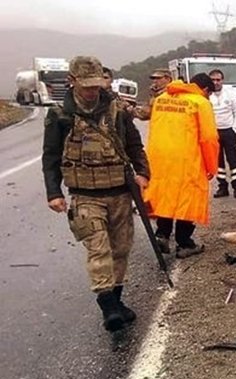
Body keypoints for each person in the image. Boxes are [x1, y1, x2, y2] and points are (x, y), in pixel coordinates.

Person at [41, 56, 150, 332]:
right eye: (86, 85)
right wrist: (54, 192)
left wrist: (142, 172)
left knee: (121, 248)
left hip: (120, 192)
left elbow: (135, 145)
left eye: (96, 85)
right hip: (85, 195)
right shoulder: (60, 115)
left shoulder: (117, 111)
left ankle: (117, 299)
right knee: (98, 248)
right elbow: (51, 156)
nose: (92, 91)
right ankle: (108, 306)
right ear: (73, 81)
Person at [143, 73, 219, 258]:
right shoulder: (200, 103)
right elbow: (209, 139)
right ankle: (184, 242)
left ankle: (162, 234)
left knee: (165, 196)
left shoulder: (162, 99)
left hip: (159, 159)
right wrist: (211, 167)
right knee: (188, 198)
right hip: (187, 159)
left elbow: (152, 129)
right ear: (206, 89)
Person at [208, 69, 236, 199]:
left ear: (222, 80)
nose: (216, 82)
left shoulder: (229, 94)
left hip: (229, 131)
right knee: (218, 162)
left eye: (218, 80)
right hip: (213, 133)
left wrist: (234, 129)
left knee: (233, 160)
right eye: (213, 80)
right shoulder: (206, 95)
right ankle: (222, 187)